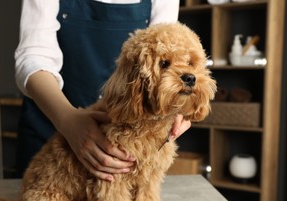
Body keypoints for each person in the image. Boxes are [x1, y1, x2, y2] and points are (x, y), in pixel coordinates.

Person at [14, 0, 191, 181]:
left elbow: (166, 45)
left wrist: (173, 101)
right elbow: (34, 55)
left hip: (130, 131)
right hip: (49, 126)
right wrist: (67, 119)